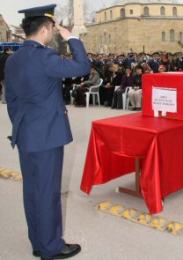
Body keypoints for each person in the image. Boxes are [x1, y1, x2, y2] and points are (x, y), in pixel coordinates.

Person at [5, 4, 90, 260]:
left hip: (26, 135)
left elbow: (11, 99)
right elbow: (82, 66)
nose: (54, 32)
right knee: (48, 193)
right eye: (52, 28)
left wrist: (23, 125)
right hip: (46, 136)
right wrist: (73, 39)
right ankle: (51, 247)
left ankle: (38, 241)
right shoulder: (46, 58)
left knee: (32, 191)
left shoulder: (13, 59)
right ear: (45, 29)